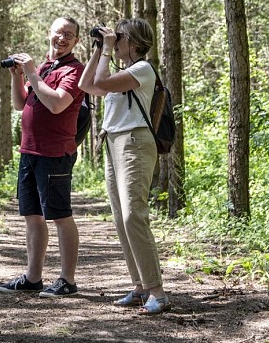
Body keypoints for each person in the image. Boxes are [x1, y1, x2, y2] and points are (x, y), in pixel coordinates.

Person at [78, 17, 170, 315]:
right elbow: (86, 85)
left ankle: (157, 290)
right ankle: (140, 286)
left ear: (134, 42)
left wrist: (106, 50)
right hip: (113, 141)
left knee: (133, 215)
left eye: (119, 38)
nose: (115, 42)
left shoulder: (142, 69)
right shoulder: (120, 70)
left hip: (134, 142)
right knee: (119, 217)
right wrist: (98, 48)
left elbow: (102, 82)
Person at [0, 16, 85, 298]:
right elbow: (20, 104)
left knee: (60, 216)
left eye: (69, 34)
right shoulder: (46, 67)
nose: (63, 38)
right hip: (29, 151)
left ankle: (67, 280)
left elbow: (57, 104)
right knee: (32, 216)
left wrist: (32, 73)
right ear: (49, 33)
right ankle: (33, 277)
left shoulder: (75, 70)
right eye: (59, 32)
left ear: (76, 41)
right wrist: (19, 78)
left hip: (54, 153)